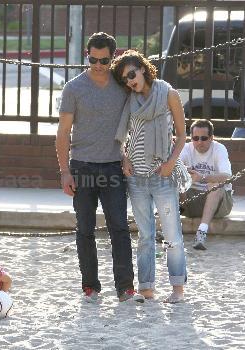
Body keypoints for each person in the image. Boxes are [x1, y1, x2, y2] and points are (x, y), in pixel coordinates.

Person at [56, 32, 144, 303]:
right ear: (87, 55)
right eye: (92, 59)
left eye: (104, 60)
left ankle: (125, 287)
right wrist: (64, 171)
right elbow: (63, 132)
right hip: (81, 167)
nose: (97, 65)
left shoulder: (123, 86)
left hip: (113, 167)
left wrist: (127, 154)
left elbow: (135, 124)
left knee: (119, 227)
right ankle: (90, 285)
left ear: (113, 57)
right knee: (84, 229)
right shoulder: (73, 88)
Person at [111, 49, 188, 303]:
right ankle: (147, 288)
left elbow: (182, 135)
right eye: (125, 79)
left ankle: (177, 289)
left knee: (172, 235)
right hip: (137, 179)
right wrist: (124, 158)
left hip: (162, 175)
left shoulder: (168, 94)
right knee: (144, 237)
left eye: (132, 74)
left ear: (143, 68)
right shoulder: (129, 99)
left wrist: (169, 164)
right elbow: (125, 136)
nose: (130, 81)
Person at [180, 119, 233, 250]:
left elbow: (227, 176)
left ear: (211, 138)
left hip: (219, 205)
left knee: (215, 185)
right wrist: (184, 172)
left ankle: (201, 232)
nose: (199, 142)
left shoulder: (219, 149)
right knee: (173, 183)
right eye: (195, 138)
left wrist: (202, 177)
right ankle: (168, 229)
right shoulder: (186, 148)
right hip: (191, 201)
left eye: (204, 138)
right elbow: (174, 171)